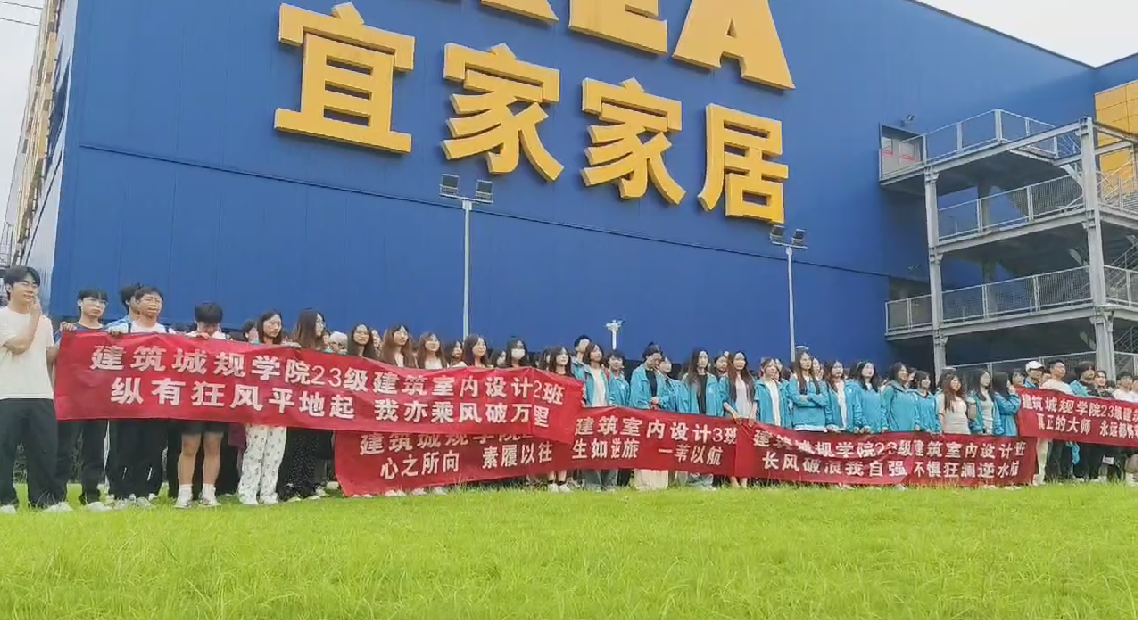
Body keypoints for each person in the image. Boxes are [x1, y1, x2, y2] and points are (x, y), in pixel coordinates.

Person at [0, 267, 68, 513]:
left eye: (35, 285)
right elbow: (19, 346)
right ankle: (5, 500)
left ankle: (42, 500)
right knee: (4, 449)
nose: (31, 289)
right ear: (9, 287)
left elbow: (47, 357)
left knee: (43, 449)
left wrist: (68, 339)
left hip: (40, 393)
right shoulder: (3, 317)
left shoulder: (46, 322)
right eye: (25, 284)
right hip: (8, 392)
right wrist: (34, 319)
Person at [107, 286, 171, 509]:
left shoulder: (168, 333)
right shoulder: (123, 329)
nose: (154, 304)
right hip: (128, 399)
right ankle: (120, 493)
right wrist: (114, 340)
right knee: (125, 447)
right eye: (149, 300)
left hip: (156, 400)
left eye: (158, 301)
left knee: (151, 448)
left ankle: (142, 491)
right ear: (136, 303)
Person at [54, 289, 112, 512]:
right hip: (71, 400)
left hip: (99, 401)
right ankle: (57, 495)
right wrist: (64, 337)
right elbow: (53, 358)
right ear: (80, 303)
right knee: (64, 449)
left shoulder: (111, 333)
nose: (98, 305)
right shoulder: (69, 331)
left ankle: (91, 495)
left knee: (94, 450)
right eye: (93, 300)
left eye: (102, 302)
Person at [174, 303, 228, 509]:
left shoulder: (227, 343)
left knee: (213, 445)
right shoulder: (186, 340)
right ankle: (184, 493)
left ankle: (209, 493)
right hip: (192, 401)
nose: (210, 330)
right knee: (189, 446)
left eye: (214, 326)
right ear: (197, 322)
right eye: (206, 325)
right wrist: (192, 343)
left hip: (217, 401)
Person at [237, 310, 288, 506]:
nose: (275, 327)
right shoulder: (252, 348)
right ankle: (248, 491)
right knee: (255, 451)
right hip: (257, 407)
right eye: (272, 323)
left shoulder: (285, 350)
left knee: (275, 454)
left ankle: (268, 492)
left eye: (278, 324)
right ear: (262, 323)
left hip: (280, 407)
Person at [630, 344, 668, 491]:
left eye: (659, 360)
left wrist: (660, 401)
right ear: (647, 357)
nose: (656, 363)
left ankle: (659, 483)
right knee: (644, 449)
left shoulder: (660, 376)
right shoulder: (637, 373)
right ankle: (644, 483)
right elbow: (636, 397)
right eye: (654, 359)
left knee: (658, 449)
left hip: (659, 416)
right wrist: (647, 407)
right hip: (644, 416)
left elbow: (668, 396)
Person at [722, 351, 757, 488]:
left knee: (746, 451)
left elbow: (755, 398)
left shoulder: (749, 379)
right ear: (731, 361)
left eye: (742, 359)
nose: (740, 362)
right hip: (733, 418)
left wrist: (753, 412)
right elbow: (723, 399)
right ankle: (733, 479)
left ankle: (744, 480)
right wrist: (733, 412)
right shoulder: (726, 379)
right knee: (731, 450)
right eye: (737, 359)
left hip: (748, 418)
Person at [883, 363, 922, 432]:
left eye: (906, 371)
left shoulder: (909, 392)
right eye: (902, 371)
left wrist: (917, 423)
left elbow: (915, 410)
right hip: (895, 431)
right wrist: (885, 426)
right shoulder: (890, 389)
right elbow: (885, 409)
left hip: (911, 430)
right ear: (895, 373)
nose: (905, 373)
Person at [850, 361, 885, 433]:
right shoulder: (856, 386)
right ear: (861, 370)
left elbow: (882, 408)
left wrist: (884, 425)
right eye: (867, 367)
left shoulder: (877, 389)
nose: (870, 370)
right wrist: (863, 424)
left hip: (878, 428)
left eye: (872, 368)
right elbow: (857, 408)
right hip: (863, 429)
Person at [936, 371, 971, 436]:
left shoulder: (962, 399)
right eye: (954, 380)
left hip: (964, 431)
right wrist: (942, 430)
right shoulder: (942, 397)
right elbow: (940, 415)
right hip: (950, 431)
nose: (957, 383)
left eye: (958, 381)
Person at [991, 372, 1021, 437]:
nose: (1009, 382)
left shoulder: (1004, 394)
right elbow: (1009, 408)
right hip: (1004, 427)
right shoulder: (997, 396)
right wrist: (1014, 395)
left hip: (1009, 426)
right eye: (1007, 380)